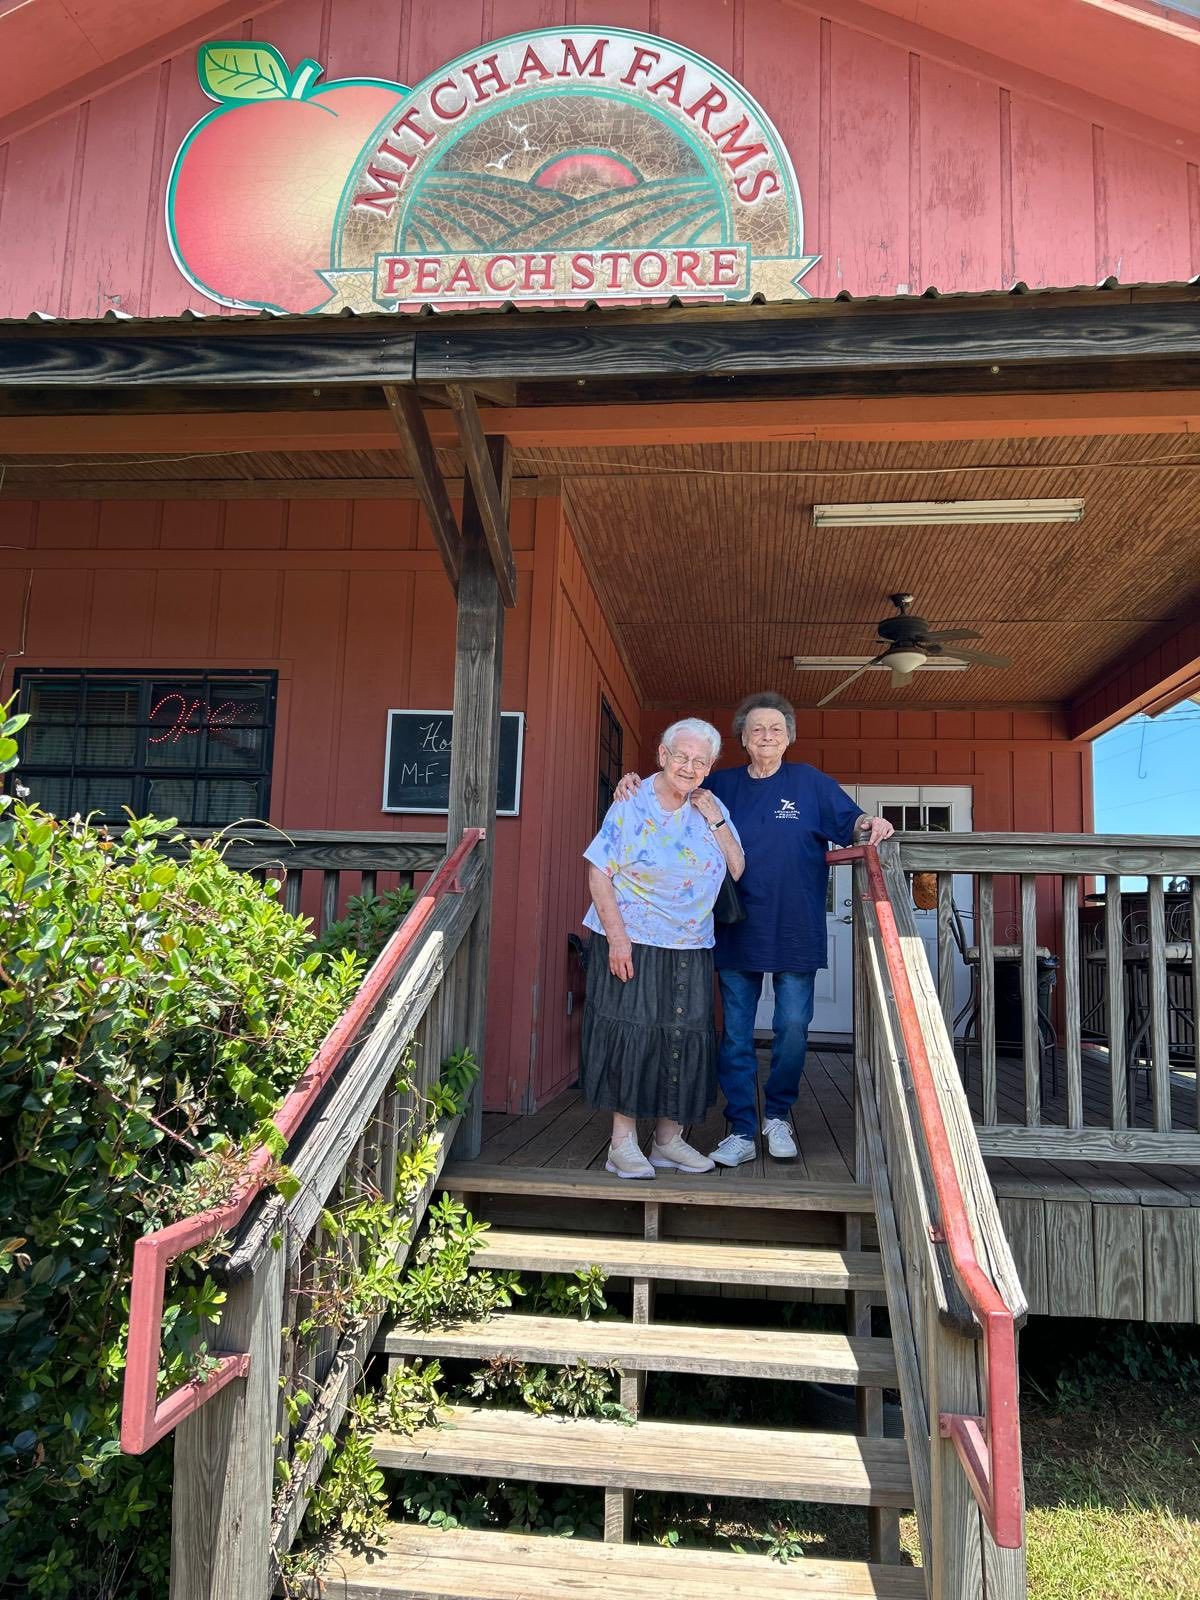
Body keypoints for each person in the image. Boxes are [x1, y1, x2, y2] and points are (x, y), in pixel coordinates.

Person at [613, 692, 893, 1167]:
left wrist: (871, 822)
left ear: (789, 738)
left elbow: (852, 822)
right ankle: (741, 1127)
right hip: (735, 927)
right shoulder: (718, 784)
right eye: (757, 729)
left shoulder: (809, 783)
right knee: (737, 1034)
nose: (767, 736)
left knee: (791, 1027)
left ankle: (778, 1115)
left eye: (776, 729)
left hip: (795, 928)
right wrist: (631, 783)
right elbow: (670, 789)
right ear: (742, 739)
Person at [582, 717, 744, 1180]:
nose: (688, 767)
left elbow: (736, 868)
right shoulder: (632, 802)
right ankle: (622, 1144)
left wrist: (714, 818)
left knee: (683, 1038)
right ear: (662, 756)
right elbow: (599, 873)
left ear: (710, 766)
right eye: (681, 756)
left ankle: (668, 1141)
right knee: (631, 1034)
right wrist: (616, 939)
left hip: (690, 943)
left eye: (699, 760)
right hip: (632, 938)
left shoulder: (713, 807)